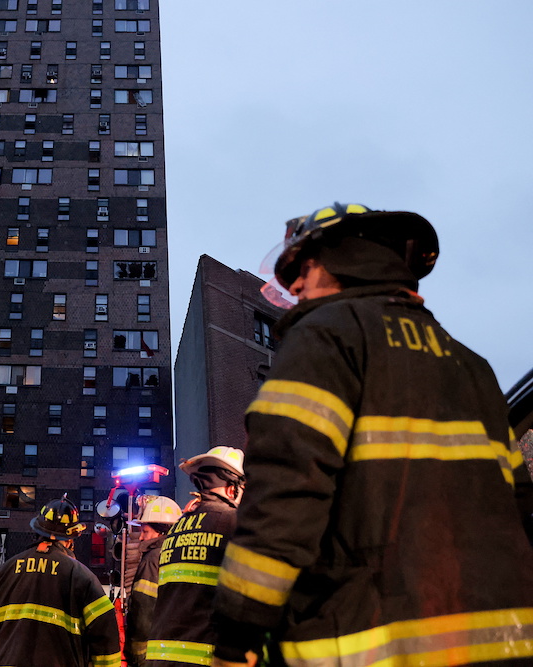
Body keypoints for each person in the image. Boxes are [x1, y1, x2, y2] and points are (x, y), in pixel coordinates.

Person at [211, 203, 533, 667]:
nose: (296, 287)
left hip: (366, 642)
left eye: (303, 269)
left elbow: (285, 498)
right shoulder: (472, 367)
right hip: (503, 643)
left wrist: (237, 630)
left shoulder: (324, 338)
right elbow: (517, 503)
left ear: (342, 260)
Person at [0, 496, 121, 667]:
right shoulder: (81, 576)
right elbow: (105, 633)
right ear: (70, 540)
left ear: (37, 531)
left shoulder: (4, 571)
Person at [146, 447, 246, 666]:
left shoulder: (177, 528)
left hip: (160, 657)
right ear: (232, 489)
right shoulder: (234, 523)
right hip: (203, 658)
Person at [124, 495, 181, 667]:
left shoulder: (152, 558)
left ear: (161, 531)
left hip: (150, 648)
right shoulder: (179, 554)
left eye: (145, 531)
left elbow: (143, 607)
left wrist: (135, 651)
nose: (141, 537)